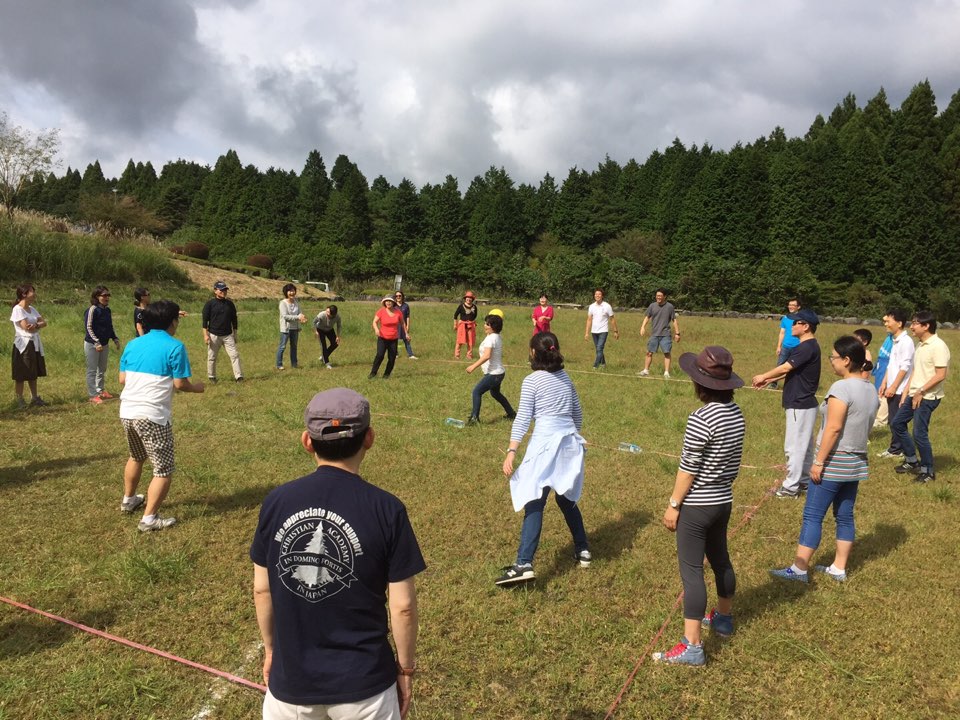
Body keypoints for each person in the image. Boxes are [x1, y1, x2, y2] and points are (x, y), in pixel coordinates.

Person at [250, 388, 425, 719]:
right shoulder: (387, 509)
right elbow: (402, 607)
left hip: (291, 685)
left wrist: (271, 650)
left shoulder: (276, 502)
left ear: (307, 441)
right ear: (369, 438)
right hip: (366, 687)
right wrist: (405, 669)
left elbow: (263, 589)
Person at [652, 346, 745, 666]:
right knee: (721, 560)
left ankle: (692, 646)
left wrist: (674, 504)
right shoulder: (736, 414)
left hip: (697, 506)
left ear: (700, 384)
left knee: (691, 571)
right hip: (723, 501)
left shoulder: (701, 418)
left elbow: (688, 468)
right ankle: (723, 619)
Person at [770, 336, 879, 583]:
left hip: (834, 461)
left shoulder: (841, 388)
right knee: (845, 515)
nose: (831, 361)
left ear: (846, 360)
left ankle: (799, 569)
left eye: (834, 357)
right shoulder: (870, 389)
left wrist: (818, 462)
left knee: (813, 515)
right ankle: (839, 568)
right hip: (856, 463)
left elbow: (833, 428)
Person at [497, 332, 590, 586]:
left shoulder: (532, 381)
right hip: (570, 444)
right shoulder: (565, 378)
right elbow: (577, 414)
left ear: (533, 353)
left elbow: (522, 418)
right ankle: (583, 550)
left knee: (534, 500)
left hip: (545, 445)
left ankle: (523, 564)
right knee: (566, 499)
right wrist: (573, 437)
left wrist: (512, 451)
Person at [118, 300, 204, 531]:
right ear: (172, 321)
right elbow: (180, 384)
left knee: (136, 456)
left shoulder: (133, 344)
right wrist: (198, 387)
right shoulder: (175, 347)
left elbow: (122, 379)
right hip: (152, 415)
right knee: (163, 470)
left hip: (127, 411)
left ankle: (129, 499)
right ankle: (149, 519)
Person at [752, 308, 821, 498]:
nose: (792, 326)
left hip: (799, 403)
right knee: (805, 445)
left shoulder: (805, 347)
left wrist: (763, 375)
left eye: (796, 323)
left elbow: (785, 367)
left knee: (795, 446)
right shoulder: (809, 346)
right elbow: (793, 371)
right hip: (805, 403)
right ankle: (804, 481)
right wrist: (770, 380)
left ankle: (790, 487)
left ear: (806, 327)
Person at [890, 311, 951, 483]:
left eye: (915, 323)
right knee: (897, 423)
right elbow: (916, 371)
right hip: (915, 393)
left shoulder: (938, 346)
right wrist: (906, 392)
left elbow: (940, 375)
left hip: (928, 396)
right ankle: (912, 460)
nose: (911, 327)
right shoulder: (920, 345)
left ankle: (928, 471)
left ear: (926, 326)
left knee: (919, 433)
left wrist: (921, 391)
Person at [466, 314, 516, 425]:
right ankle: (511, 414)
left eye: (487, 324)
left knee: (476, 392)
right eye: (485, 323)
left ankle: (474, 419)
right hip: (498, 372)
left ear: (493, 327)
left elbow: (487, 355)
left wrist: (473, 366)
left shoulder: (491, 338)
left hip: (494, 374)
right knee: (495, 394)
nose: (484, 325)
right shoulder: (496, 336)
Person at [877, 309, 914, 459]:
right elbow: (891, 364)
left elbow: (905, 367)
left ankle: (898, 450)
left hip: (900, 389)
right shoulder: (894, 340)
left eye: (888, 321)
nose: (885, 324)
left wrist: (894, 386)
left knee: (897, 422)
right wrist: (884, 382)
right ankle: (896, 449)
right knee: (893, 420)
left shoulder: (906, 342)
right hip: (892, 387)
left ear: (899, 323)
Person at [10, 283, 48, 408]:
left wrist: (36, 325)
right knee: (21, 373)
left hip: (33, 343)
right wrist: (37, 326)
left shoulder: (32, 308)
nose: (34, 294)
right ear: (24, 294)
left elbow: (43, 322)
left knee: (33, 372)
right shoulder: (18, 309)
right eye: (31, 291)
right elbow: (26, 327)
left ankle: (34, 398)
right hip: (23, 344)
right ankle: (19, 400)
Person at [84, 285, 121, 405]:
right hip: (92, 344)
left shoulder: (107, 310)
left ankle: (100, 390)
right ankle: (92, 395)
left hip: (104, 344)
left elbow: (109, 326)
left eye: (108, 295)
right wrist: (96, 342)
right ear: (97, 296)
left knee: (102, 369)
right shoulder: (92, 310)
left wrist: (114, 338)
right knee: (92, 369)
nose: (107, 298)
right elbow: (88, 327)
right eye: (104, 295)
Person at [202, 281, 243, 383]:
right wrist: (205, 335)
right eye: (221, 290)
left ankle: (239, 376)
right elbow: (205, 321)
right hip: (214, 335)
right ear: (215, 291)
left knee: (235, 355)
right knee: (212, 357)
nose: (224, 292)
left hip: (228, 335)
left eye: (225, 290)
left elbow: (234, 320)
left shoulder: (230, 304)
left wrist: (235, 333)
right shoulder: (209, 304)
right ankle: (212, 376)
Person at [638, 288, 680, 378]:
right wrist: (642, 327)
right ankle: (646, 370)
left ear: (664, 297)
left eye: (660, 296)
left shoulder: (670, 307)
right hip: (654, 334)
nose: (658, 297)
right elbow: (647, 317)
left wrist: (677, 333)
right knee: (649, 352)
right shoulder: (652, 306)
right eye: (657, 296)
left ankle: (666, 373)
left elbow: (674, 320)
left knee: (667, 353)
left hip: (665, 334)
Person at [583, 289, 619, 371]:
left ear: (602, 296)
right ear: (594, 295)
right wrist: (586, 333)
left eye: (599, 294)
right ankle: (603, 364)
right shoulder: (591, 306)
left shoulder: (607, 306)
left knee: (599, 348)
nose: (597, 296)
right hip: (594, 331)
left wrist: (615, 331)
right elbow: (589, 320)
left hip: (603, 331)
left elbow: (612, 319)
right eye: (596, 294)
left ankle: (595, 366)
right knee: (598, 349)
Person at [769, 298, 801, 389]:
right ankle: (773, 383)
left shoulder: (802, 318)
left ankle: (796, 385)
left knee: (797, 367)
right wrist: (779, 346)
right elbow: (782, 332)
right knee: (780, 365)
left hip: (798, 347)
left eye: (793, 305)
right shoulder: (785, 318)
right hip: (785, 347)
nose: (791, 307)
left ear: (798, 307)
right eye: (789, 305)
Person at [276, 283, 307, 370]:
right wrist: (298, 317)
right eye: (290, 291)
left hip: (295, 328)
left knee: (294, 347)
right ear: (286, 292)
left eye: (293, 291)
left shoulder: (296, 302)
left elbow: (300, 313)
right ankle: (279, 364)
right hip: (286, 329)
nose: (292, 293)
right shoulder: (283, 303)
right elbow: (285, 316)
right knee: (282, 347)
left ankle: (294, 364)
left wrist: (303, 318)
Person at [370, 296, 402, 379]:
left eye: (390, 301)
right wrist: (376, 329)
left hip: (393, 339)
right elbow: (374, 322)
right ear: (384, 302)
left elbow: (402, 323)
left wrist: (406, 334)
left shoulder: (398, 312)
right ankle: (373, 373)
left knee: (392, 358)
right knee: (380, 355)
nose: (388, 302)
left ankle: (386, 375)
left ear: (393, 303)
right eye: (386, 301)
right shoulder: (381, 311)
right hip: (382, 338)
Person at [871, 323, 894, 428]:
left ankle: (881, 420)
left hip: (886, 364)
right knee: (879, 390)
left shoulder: (896, 339)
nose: (886, 324)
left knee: (883, 393)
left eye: (888, 322)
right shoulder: (889, 336)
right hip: (882, 363)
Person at [313, 305, 342, 369]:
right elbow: (314, 322)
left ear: (333, 315)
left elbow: (339, 326)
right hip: (320, 330)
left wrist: (338, 336)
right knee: (323, 345)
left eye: (329, 313)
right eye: (327, 311)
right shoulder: (321, 315)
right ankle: (327, 363)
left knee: (335, 343)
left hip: (329, 330)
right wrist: (315, 331)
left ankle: (323, 356)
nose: (327, 313)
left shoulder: (337, 316)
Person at [453, 291, 479, 359]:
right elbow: (455, 315)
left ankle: (469, 356)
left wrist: (472, 322)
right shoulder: (461, 306)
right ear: (465, 298)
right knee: (459, 341)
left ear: (472, 299)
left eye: (470, 298)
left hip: (471, 326)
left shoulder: (474, 307)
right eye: (467, 297)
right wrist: (455, 324)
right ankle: (457, 355)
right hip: (462, 326)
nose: (469, 299)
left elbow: (475, 315)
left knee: (470, 341)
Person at [394, 291, 418, 360]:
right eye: (397, 296)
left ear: (402, 296)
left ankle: (411, 355)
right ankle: (395, 354)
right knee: (394, 340)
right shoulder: (393, 306)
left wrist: (408, 326)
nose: (398, 297)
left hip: (404, 326)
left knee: (407, 339)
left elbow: (408, 317)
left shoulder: (406, 306)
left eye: (400, 295)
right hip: (395, 326)